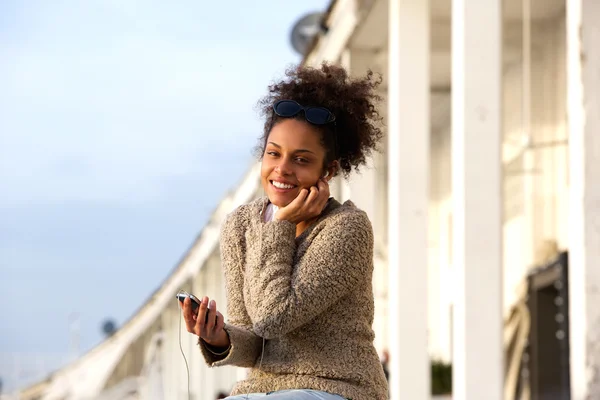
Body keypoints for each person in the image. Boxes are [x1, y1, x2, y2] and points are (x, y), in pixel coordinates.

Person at [181, 62, 388, 400]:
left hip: (339, 388)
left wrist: (280, 225)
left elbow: (273, 317)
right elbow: (256, 338)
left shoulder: (347, 228)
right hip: (263, 390)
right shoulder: (241, 225)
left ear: (329, 170)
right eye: (273, 153)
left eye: (301, 160)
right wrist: (218, 336)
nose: (282, 169)